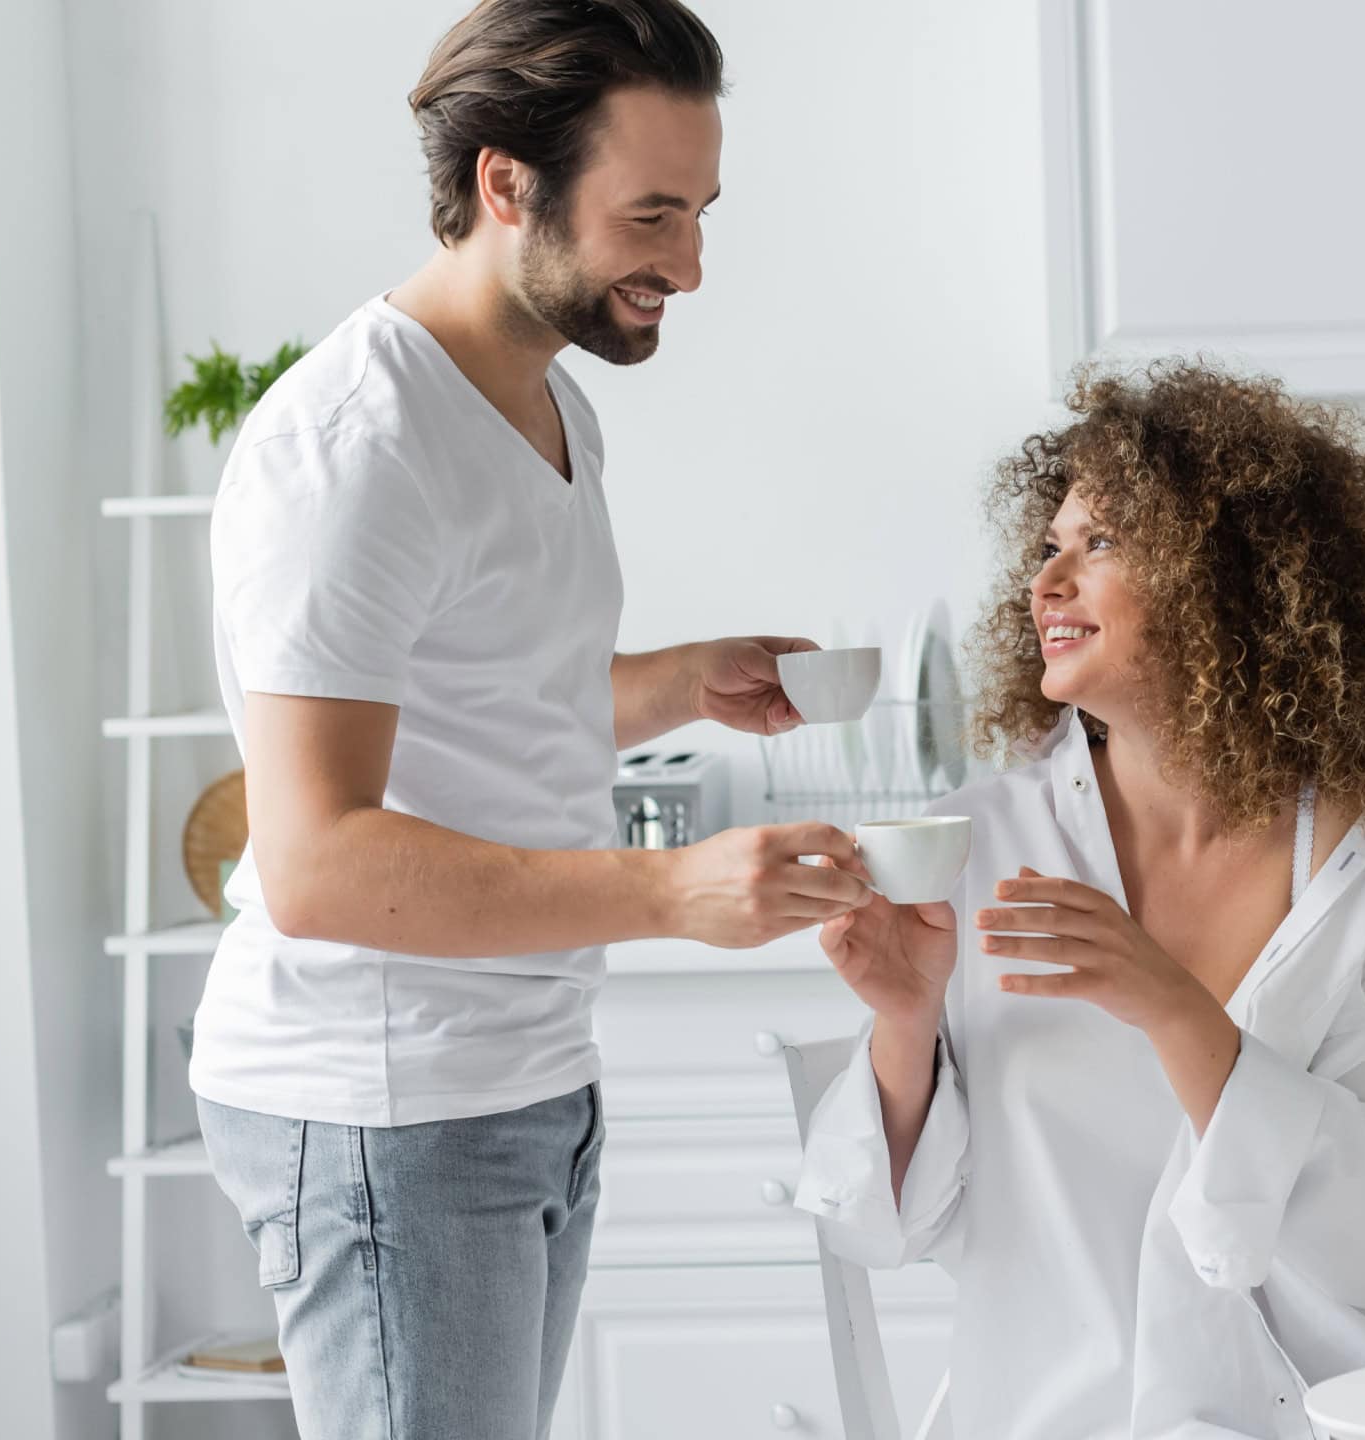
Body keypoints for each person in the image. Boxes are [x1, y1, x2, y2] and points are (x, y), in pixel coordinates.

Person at [190, 4, 869, 1435]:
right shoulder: (354, 450)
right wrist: (670, 891)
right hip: (384, 1102)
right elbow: (315, 866)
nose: (689, 264)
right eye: (654, 215)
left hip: (517, 1073)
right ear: (507, 185)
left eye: (702, 212)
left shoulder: (545, 402)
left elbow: (480, 696)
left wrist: (677, 682)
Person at [796, 360, 1365, 1439]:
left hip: (1325, 1409)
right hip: (1065, 1408)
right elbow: (876, 1227)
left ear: (1232, 576)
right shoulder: (975, 843)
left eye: (1099, 543)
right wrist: (905, 1021)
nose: (1048, 582)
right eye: (1047, 546)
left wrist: (1175, 1010)